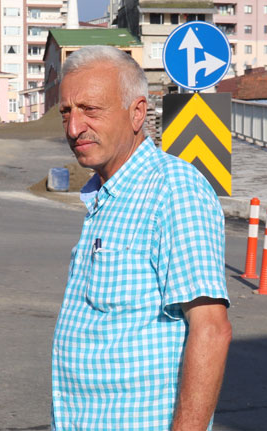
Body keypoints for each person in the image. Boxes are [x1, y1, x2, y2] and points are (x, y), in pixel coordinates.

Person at [52, 46, 232, 431]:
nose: (73, 128)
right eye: (66, 112)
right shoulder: (108, 194)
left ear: (137, 113)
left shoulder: (173, 190)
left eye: (90, 110)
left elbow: (211, 329)